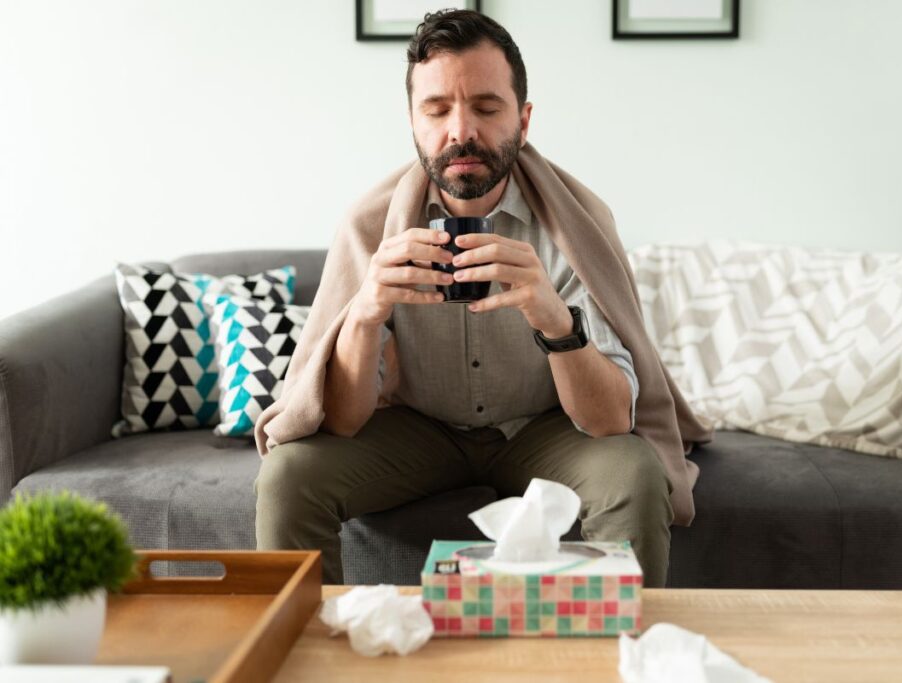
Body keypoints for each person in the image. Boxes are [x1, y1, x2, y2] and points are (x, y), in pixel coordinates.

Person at [254, 9, 711, 588]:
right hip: (421, 429)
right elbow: (342, 423)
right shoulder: (371, 227)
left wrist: (552, 317)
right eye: (437, 109)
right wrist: (366, 315)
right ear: (413, 122)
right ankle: (308, 666)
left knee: (636, 473)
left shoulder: (579, 225)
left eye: (487, 108)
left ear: (523, 119)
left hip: (548, 430)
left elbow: (608, 421)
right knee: (289, 475)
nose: (460, 131)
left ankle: (624, 665)